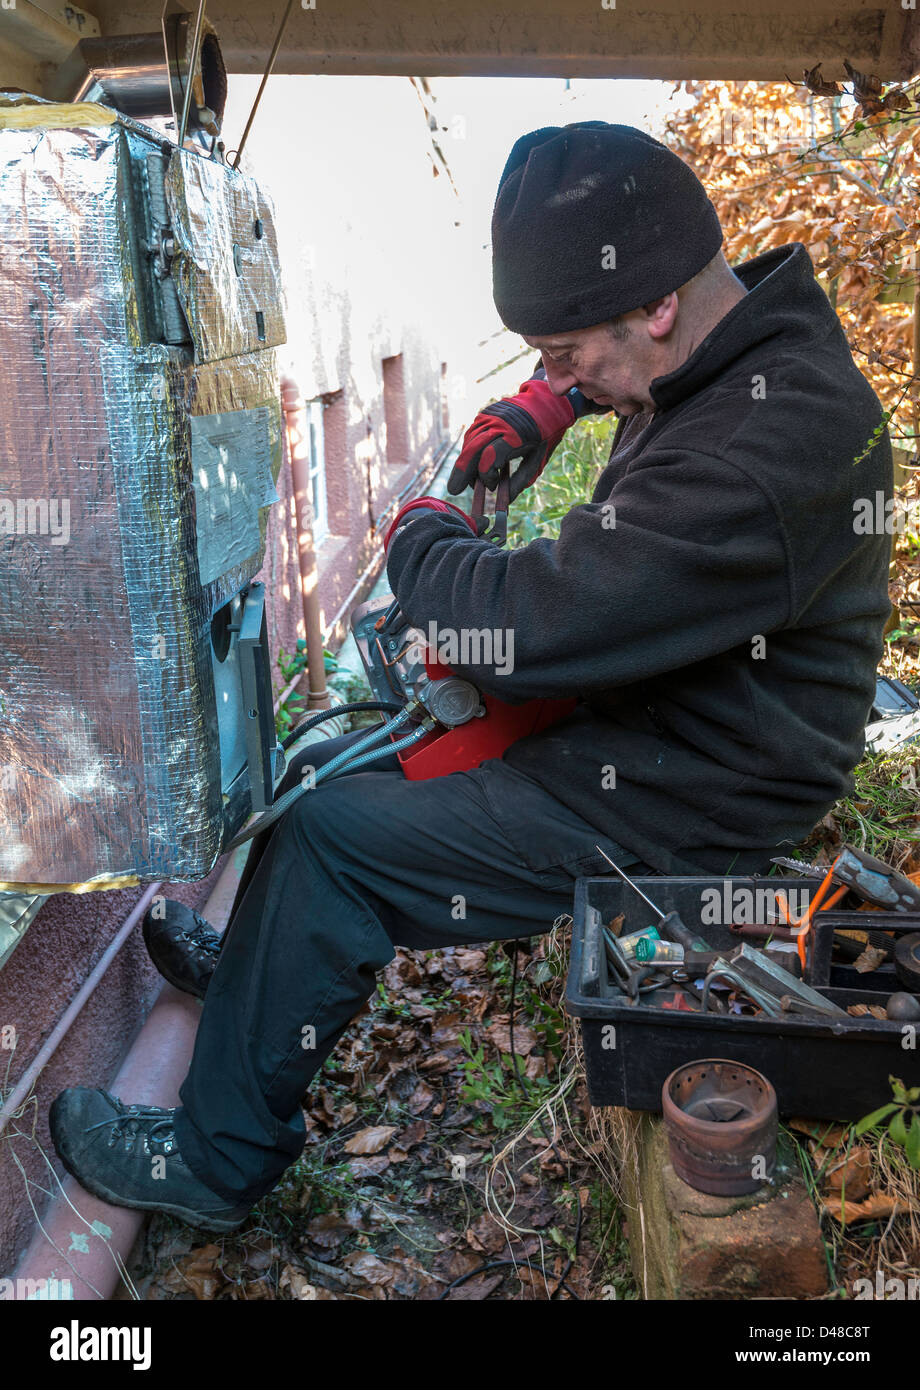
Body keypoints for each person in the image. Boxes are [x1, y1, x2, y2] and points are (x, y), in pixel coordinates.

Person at [50, 122, 892, 1230]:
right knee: (323, 758)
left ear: (650, 307)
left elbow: (528, 623)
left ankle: (215, 1162)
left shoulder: (765, 448)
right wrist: (555, 402)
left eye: (560, 353)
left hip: (693, 786)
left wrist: (424, 529)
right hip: (646, 716)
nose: (555, 378)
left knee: (337, 846)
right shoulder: (726, 343)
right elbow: (638, 377)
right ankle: (261, 973)